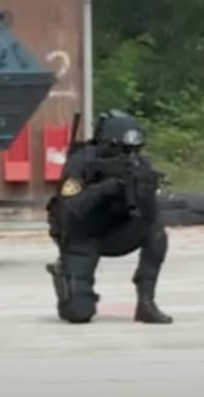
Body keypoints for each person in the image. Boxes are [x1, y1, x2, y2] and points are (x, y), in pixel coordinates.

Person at [44, 111, 172, 325]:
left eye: (133, 149)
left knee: (156, 230)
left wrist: (143, 190)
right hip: (81, 233)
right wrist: (106, 188)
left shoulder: (139, 164)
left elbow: (149, 215)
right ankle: (62, 272)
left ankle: (146, 302)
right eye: (122, 149)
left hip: (116, 231)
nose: (129, 155)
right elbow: (71, 208)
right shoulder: (82, 162)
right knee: (78, 313)